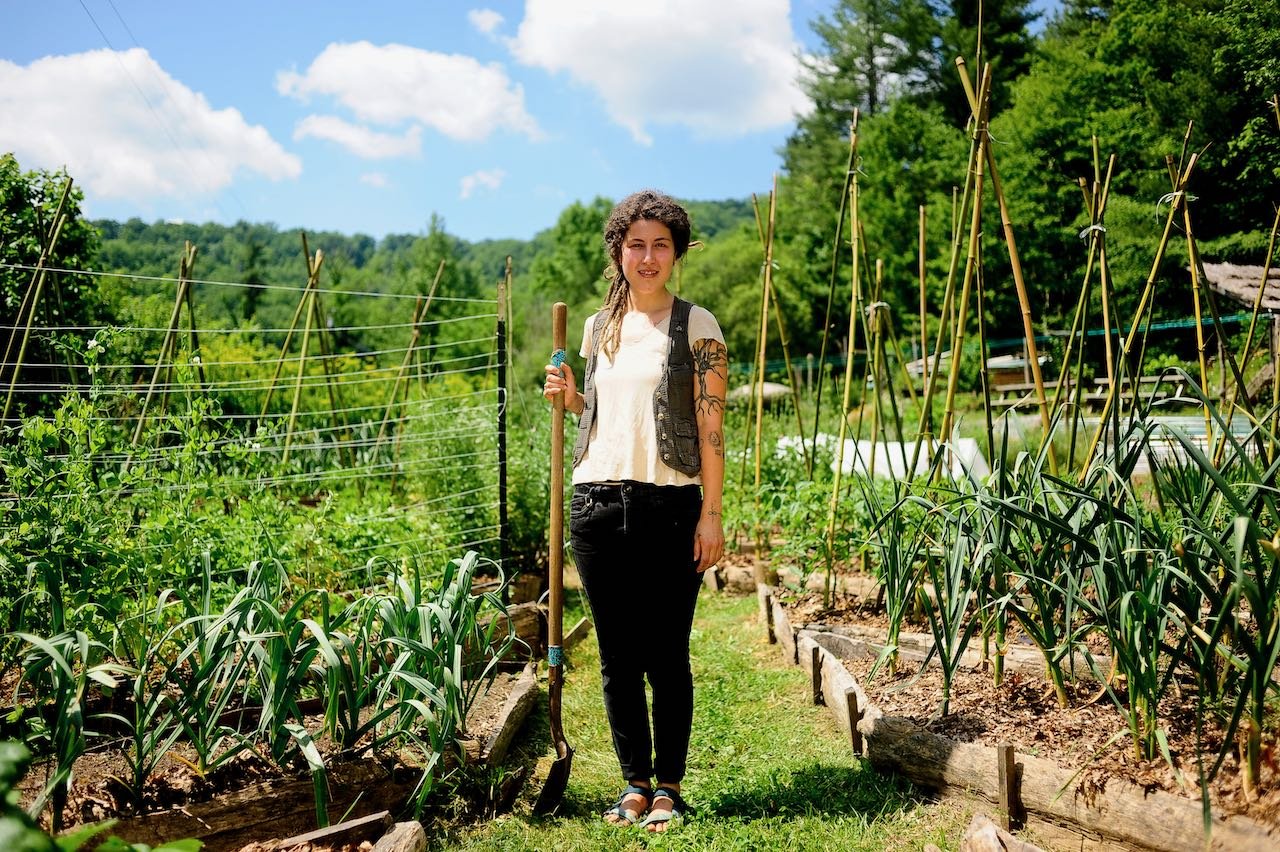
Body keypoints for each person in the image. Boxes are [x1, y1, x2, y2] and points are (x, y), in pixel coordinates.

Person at [542, 189, 728, 833]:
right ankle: (634, 786)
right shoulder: (598, 328)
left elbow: (710, 427)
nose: (647, 257)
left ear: (676, 253)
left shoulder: (696, 326)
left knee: (666, 654)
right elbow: (598, 418)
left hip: (670, 506)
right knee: (619, 657)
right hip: (595, 504)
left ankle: (671, 787)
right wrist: (566, 396)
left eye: (660, 246)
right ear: (618, 252)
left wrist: (712, 513)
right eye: (635, 245)